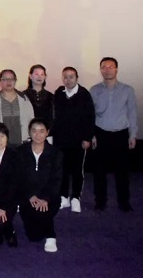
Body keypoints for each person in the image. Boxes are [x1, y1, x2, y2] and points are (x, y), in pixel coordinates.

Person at [90, 57, 138, 212]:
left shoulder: (127, 90)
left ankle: (124, 201)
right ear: (100, 70)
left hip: (120, 135)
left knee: (122, 172)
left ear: (116, 69)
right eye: (104, 67)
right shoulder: (94, 90)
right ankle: (100, 201)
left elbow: (132, 113)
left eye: (111, 66)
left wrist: (132, 134)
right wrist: (92, 134)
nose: (107, 70)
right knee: (99, 172)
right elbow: (90, 115)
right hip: (100, 133)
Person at [52, 67, 95, 213]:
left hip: (78, 141)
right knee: (62, 170)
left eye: (71, 77)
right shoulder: (59, 93)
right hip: (61, 140)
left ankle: (76, 197)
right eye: (65, 77)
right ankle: (64, 197)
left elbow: (90, 117)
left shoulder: (84, 94)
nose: (68, 80)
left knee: (77, 170)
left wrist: (87, 138)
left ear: (77, 78)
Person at [15, 118, 62, 253]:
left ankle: (51, 235)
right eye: (34, 131)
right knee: (34, 236)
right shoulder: (20, 151)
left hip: (49, 196)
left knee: (43, 212)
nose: (38, 135)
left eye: (42, 131)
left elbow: (57, 179)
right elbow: (18, 178)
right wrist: (30, 195)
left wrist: (45, 198)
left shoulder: (55, 153)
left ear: (47, 132)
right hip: (27, 196)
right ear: (29, 132)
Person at [0, 69, 34, 146]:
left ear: (15, 81)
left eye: (11, 79)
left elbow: (31, 118)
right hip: (1, 142)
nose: (8, 81)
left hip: (22, 141)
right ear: (0, 82)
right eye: (5, 79)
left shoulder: (24, 98)